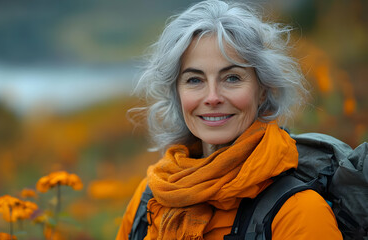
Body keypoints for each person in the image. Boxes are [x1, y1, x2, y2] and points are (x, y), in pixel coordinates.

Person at [116, 0, 343, 239]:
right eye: (194, 80)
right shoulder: (151, 197)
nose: (212, 97)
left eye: (232, 78)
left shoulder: (299, 213)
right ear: (177, 93)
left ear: (263, 90)